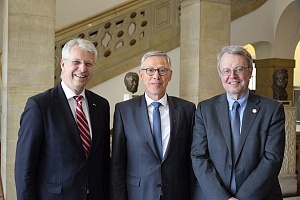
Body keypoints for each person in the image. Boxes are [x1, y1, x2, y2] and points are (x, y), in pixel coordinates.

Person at [15, 38, 111, 200]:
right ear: (62, 64)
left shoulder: (101, 105)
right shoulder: (39, 105)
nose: (82, 68)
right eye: (76, 62)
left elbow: (103, 161)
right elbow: (25, 166)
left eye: (88, 64)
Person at [191, 45, 285, 200]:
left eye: (239, 69)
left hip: (259, 196)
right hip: (213, 196)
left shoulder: (272, 109)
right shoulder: (205, 109)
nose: (232, 76)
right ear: (220, 74)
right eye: (226, 70)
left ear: (250, 72)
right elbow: (198, 156)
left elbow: (272, 158)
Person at [111, 51, 196, 200]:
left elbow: (192, 158)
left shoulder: (187, 110)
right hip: (138, 194)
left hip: (177, 193)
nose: (156, 76)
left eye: (162, 70)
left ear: (170, 75)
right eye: (150, 70)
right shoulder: (124, 110)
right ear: (141, 74)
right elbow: (118, 162)